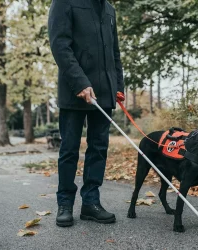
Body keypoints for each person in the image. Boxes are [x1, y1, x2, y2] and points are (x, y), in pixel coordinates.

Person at [48, 0, 124, 227]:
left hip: (105, 94)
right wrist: (80, 82)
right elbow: (60, 45)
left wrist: (118, 87)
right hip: (74, 92)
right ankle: (65, 204)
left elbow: (115, 53)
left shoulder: (109, 9)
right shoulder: (64, 2)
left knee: (99, 149)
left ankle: (91, 203)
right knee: (69, 149)